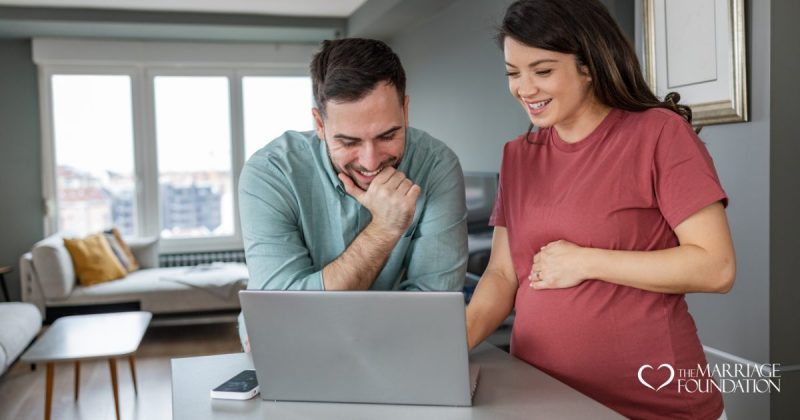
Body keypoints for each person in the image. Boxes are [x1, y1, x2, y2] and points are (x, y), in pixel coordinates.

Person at [465, 1, 735, 419]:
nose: (525, 88)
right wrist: (448, 350)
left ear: (588, 66)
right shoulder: (518, 156)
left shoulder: (659, 134)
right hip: (540, 396)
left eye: (543, 71)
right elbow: (502, 274)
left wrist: (586, 261)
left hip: (651, 401)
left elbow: (716, 267)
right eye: (513, 73)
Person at [238, 38, 468, 346]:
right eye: (349, 142)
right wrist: (384, 229)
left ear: (406, 110)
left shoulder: (437, 166)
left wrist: (308, 318)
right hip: (291, 355)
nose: (371, 161)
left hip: (397, 353)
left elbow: (431, 311)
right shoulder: (271, 173)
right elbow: (280, 314)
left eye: (388, 135)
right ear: (319, 124)